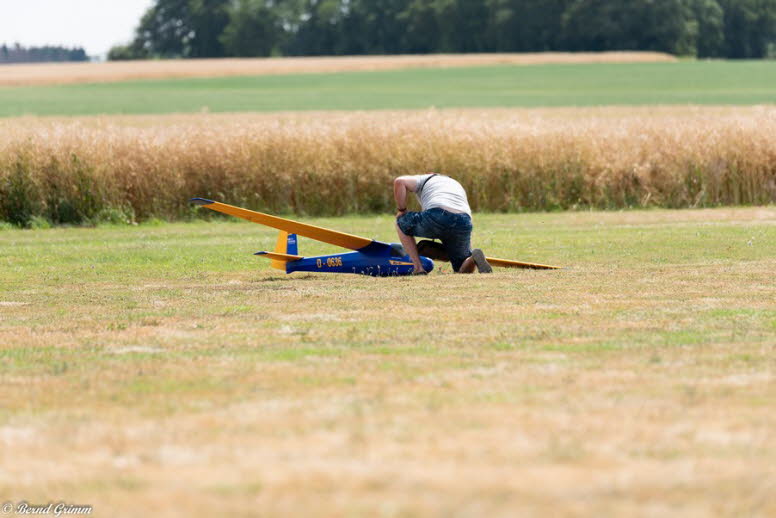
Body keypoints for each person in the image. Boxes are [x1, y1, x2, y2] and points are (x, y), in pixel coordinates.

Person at [394, 173, 492, 275]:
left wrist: (402, 210)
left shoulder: (425, 179)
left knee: (401, 222)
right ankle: (472, 259)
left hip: (438, 215)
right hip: (464, 221)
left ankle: (418, 269)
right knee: (461, 267)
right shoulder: (456, 185)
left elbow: (399, 181)